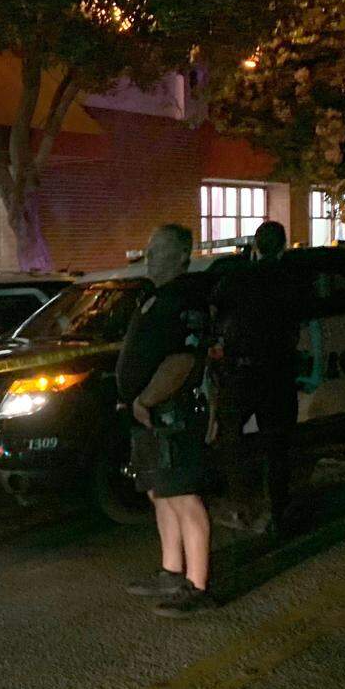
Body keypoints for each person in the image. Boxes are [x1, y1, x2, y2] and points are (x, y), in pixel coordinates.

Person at [117, 224, 215, 618]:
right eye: (149, 247)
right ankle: (172, 572)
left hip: (174, 414)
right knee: (160, 492)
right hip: (151, 414)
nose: (150, 254)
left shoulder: (184, 299)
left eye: (159, 248)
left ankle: (197, 586)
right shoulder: (156, 297)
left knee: (183, 495)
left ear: (181, 256)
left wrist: (146, 399)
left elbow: (182, 360)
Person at [210, 221, 301, 535]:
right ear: (283, 246)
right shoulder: (291, 279)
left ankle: (240, 506)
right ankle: (278, 510)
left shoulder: (238, 277)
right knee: (277, 445)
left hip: (242, 372)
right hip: (278, 373)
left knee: (231, 440)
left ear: (256, 247)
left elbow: (216, 307)